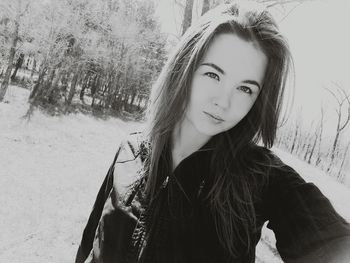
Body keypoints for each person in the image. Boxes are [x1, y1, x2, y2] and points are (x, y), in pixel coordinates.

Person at [75, 1, 350, 262]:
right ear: (185, 67)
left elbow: (334, 245)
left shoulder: (261, 177)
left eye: (245, 88)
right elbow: (90, 245)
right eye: (213, 74)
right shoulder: (130, 151)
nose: (223, 101)